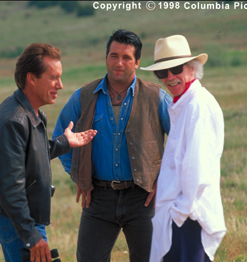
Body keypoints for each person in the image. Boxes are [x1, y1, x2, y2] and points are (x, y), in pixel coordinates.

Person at [52, 29, 172, 262]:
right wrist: (78, 175)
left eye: (126, 57)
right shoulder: (83, 96)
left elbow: (180, 143)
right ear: (106, 58)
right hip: (97, 198)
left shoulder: (156, 97)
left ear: (137, 62)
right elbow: (60, 138)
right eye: (113, 55)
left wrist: (163, 180)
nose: (119, 63)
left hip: (143, 198)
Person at [0, 43, 97, 262]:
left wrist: (64, 142)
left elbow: (28, 156)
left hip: (21, 219)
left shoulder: (29, 112)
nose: (60, 85)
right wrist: (31, 235)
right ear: (31, 78)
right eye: (53, 77)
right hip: (18, 221)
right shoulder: (15, 121)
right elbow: (10, 186)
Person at [140, 35, 227, 262]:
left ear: (192, 68)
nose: (169, 77)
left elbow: (197, 165)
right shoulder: (182, 102)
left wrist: (181, 211)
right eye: (162, 72)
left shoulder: (198, 105)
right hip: (179, 215)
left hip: (188, 216)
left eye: (176, 68)